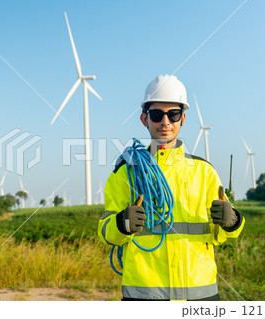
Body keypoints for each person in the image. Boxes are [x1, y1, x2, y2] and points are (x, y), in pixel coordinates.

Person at [98, 75, 245, 301]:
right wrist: (122, 223)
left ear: (183, 118)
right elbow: (106, 231)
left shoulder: (204, 172)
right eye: (157, 115)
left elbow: (220, 236)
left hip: (200, 296)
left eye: (173, 114)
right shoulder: (125, 173)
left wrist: (231, 220)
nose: (165, 122)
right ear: (144, 119)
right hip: (145, 297)